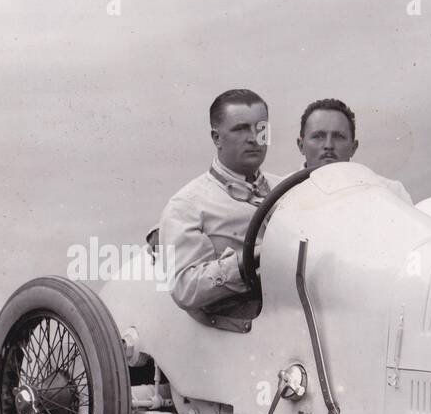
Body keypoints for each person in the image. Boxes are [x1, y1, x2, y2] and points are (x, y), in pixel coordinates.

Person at [159, 88, 282, 313]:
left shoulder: (288, 188)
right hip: (242, 329)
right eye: (240, 129)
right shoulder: (187, 205)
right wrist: (246, 262)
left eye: (261, 128)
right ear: (217, 138)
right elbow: (185, 289)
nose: (254, 138)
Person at [295, 98, 413, 204]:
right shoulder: (279, 194)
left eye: (338, 136)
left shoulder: (391, 191)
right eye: (318, 136)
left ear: (353, 148)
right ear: (301, 145)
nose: (328, 145)